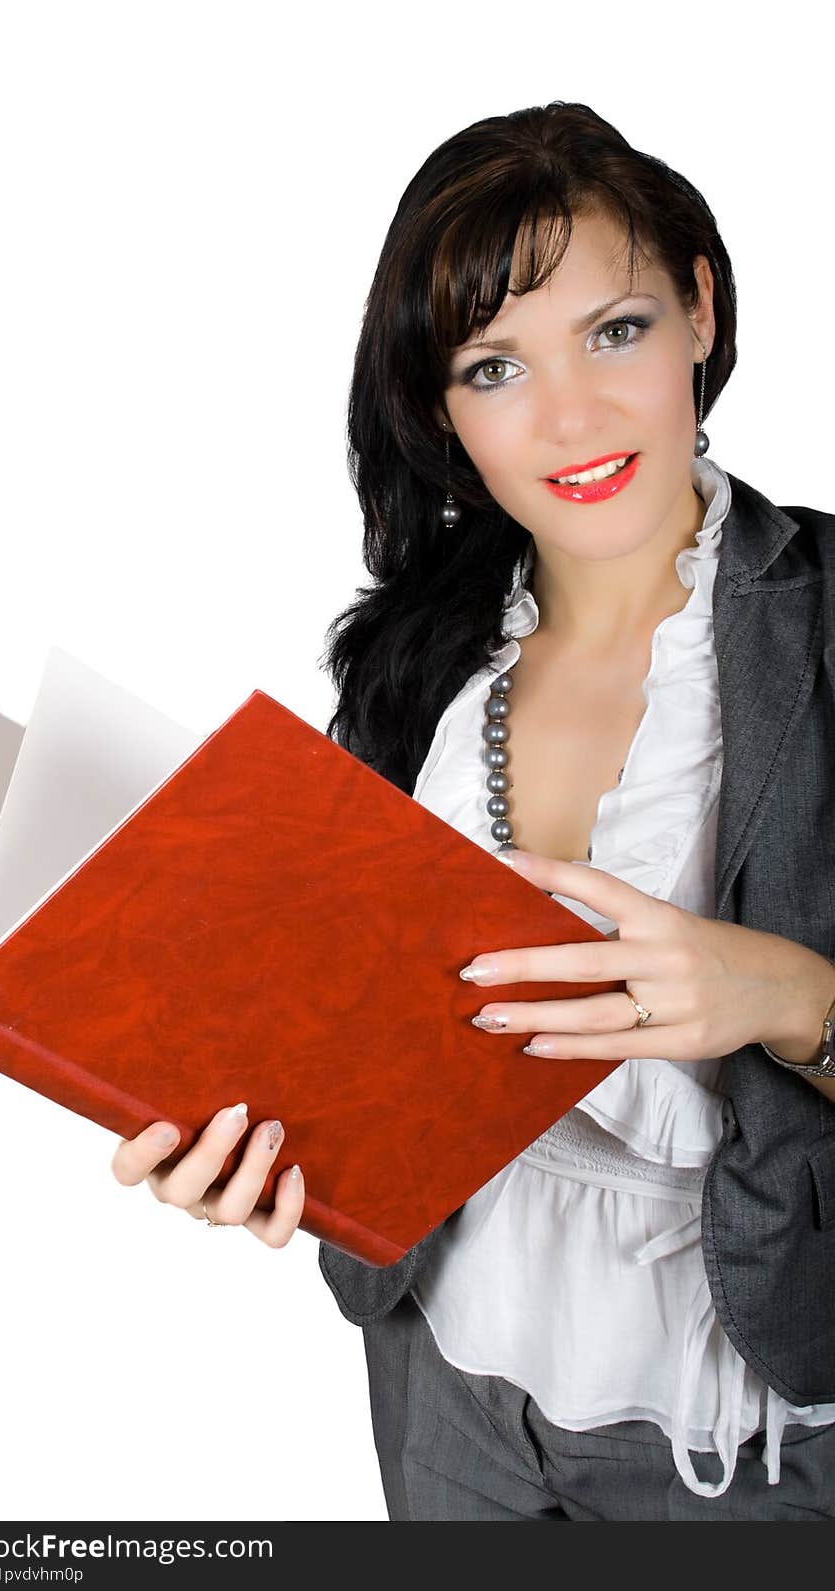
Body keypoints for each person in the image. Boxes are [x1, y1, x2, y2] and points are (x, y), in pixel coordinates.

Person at [111, 101, 835, 1521]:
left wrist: (787, 994)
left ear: (699, 306)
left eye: (616, 331)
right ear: (440, 408)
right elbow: (351, 1021)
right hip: (441, 1373)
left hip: (754, 1432)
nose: (570, 418)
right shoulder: (417, 658)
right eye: (497, 367)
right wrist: (255, 1148)